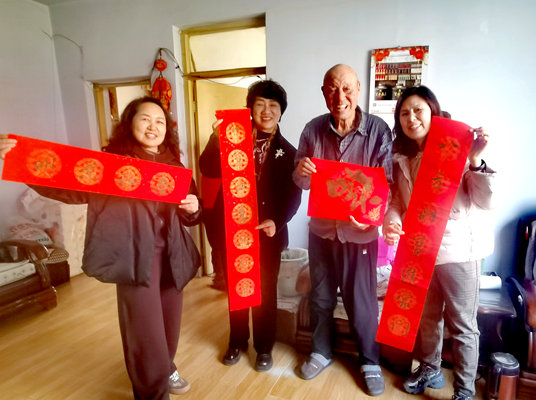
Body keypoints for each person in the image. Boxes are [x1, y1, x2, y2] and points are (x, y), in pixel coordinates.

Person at [0, 96, 202, 400]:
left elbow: (192, 215)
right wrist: (18, 161)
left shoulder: (175, 165)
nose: (153, 126)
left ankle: (166, 367)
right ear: (130, 123)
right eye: (145, 119)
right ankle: (152, 392)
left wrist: (193, 207)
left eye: (160, 121)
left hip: (173, 256)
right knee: (144, 331)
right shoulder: (113, 164)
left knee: (169, 324)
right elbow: (69, 186)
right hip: (135, 258)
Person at [382, 86, 496, 400]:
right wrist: (392, 221)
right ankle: (429, 369)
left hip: (459, 252)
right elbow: (397, 202)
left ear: (433, 111)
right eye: (404, 113)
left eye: (418, 110)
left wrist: (475, 159)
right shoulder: (401, 156)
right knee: (427, 318)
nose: (412, 118)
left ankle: (464, 390)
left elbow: (485, 201)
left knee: (462, 325)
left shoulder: (457, 148)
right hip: (421, 250)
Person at [293, 64, 393, 396]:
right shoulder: (312, 129)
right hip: (321, 231)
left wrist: (373, 218)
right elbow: (300, 180)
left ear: (358, 89)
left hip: (360, 234)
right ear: (324, 93)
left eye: (347, 88)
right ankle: (321, 351)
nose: (340, 97)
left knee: (361, 301)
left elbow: (388, 184)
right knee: (320, 297)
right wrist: (302, 171)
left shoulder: (378, 130)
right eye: (332, 89)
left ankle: (369, 361)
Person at [199, 79, 301, 372]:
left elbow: (293, 195)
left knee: (265, 292)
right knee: (238, 288)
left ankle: (264, 347)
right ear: (250, 109)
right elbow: (207, 168)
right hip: (233, 230)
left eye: (273, 105)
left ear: (281, 111)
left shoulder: (289, 152)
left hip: (267, 233)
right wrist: (215, 139)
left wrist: (277, 221)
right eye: (260, 104)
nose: (266, 111)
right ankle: (237, 341)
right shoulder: (233, 139)